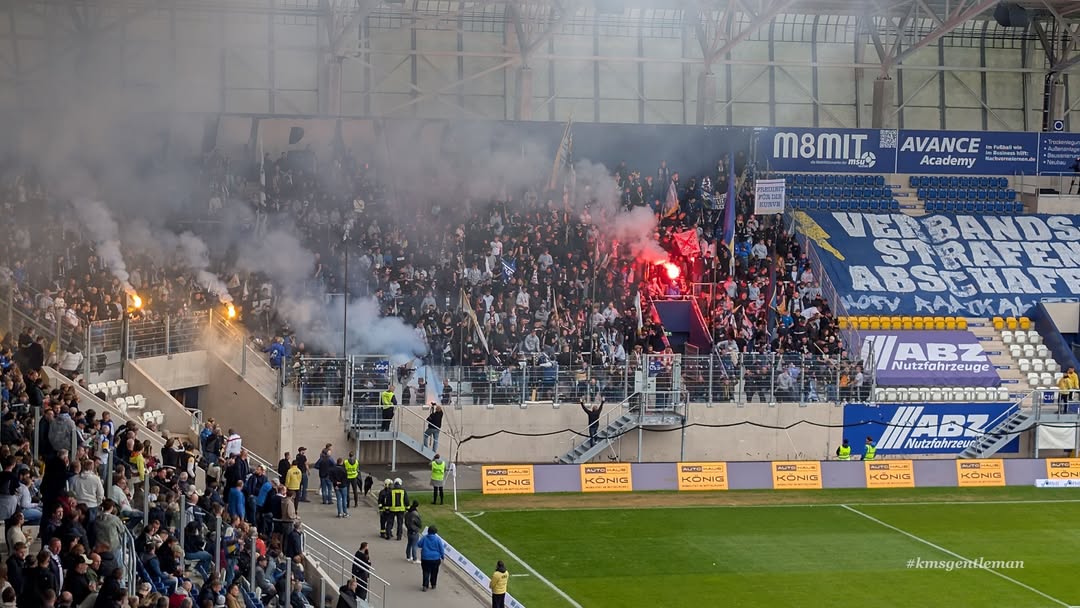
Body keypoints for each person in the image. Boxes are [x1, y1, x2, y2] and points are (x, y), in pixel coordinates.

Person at [417, 526, 446, 592]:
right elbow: (441, 549)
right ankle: (433, 584)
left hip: (425, 558)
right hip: (435, 559)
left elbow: (419, 545)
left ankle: (425, 586)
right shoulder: (438, 539)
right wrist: (442, 556)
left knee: (425, 572)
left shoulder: (424, 538)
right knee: (434, 572)